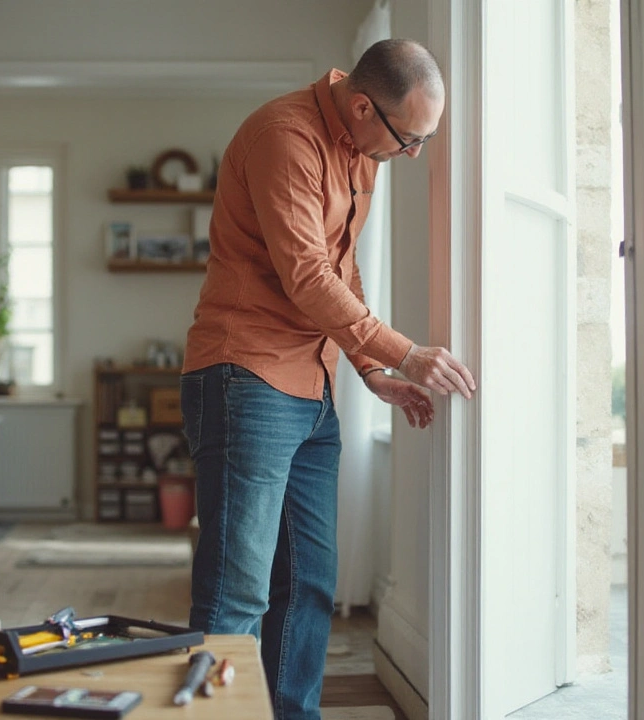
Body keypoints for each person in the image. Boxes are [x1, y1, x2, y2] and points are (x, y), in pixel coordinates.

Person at [180, 38, 476, 720]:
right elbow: (307, 274)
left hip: (314, 388)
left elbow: (342, 271)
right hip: (245, 379)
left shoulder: (358, 148)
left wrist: (370, 367)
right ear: (364, 106)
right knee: (237, 591)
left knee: (309, 583)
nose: (414, 156)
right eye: (411, 139)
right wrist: (405, 352)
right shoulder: (284, 137)